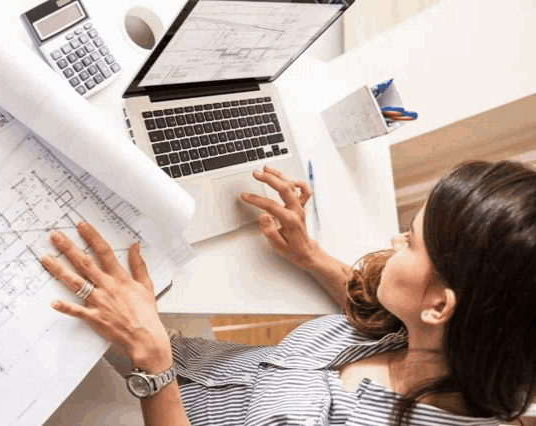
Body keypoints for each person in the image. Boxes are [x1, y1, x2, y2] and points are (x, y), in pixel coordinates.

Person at [40, 159, 536, 426]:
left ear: (441, 305)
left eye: (410, 240)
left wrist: (153, 365)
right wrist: (309, 255)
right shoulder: (464, 347)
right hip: (187, 363)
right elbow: (379, 310)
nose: (393, 241)